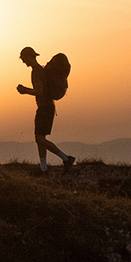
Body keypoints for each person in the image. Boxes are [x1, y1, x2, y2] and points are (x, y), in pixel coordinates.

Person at [17, 46, 75, 174]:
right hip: (47, 107)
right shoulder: (41, 70)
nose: (23, 61)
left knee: (39, 139)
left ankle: (66, 158)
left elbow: (39, 91)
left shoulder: (36, 72)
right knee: (40, 137)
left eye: (24, 58)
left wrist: (24, 90)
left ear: (29, 56)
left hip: (45, 107)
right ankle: (43, 167)